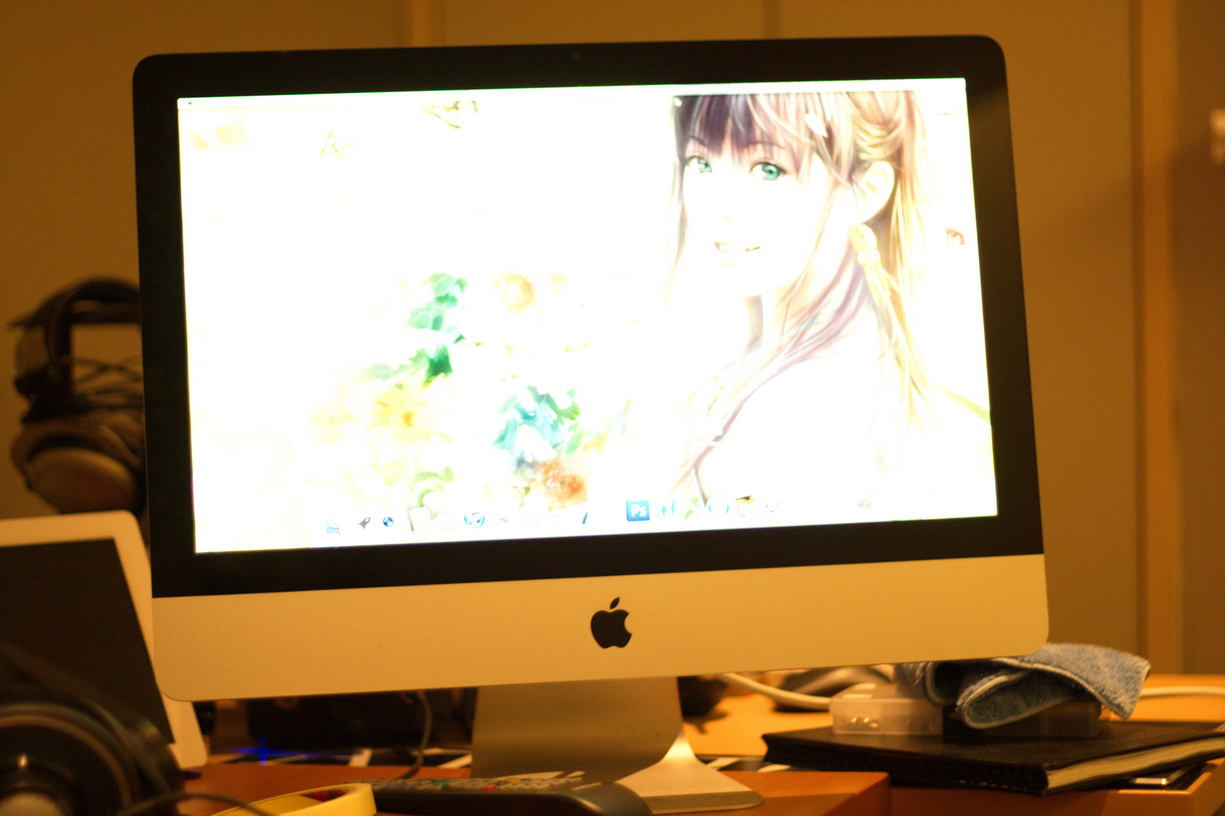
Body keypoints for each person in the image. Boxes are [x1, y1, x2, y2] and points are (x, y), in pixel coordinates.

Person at [665, 91, 934, 518]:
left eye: (768, 169)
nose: (719, 208)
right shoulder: (815, 344)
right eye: (701, 162)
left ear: (865, 192)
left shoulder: (802, 404)